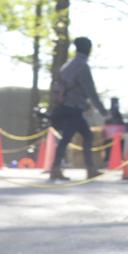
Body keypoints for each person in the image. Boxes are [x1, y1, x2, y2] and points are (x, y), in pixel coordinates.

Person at [50, 36, 107, 181]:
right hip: (73, 109)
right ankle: (56, 168)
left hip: (65, 107)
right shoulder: (82, 67)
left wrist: (85, 104)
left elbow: (70, 88)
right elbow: (90, 91)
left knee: (86, 135)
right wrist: (103, 111)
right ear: (88, 49)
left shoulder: (69, 65)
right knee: (67, 139)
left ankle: (89, 168)